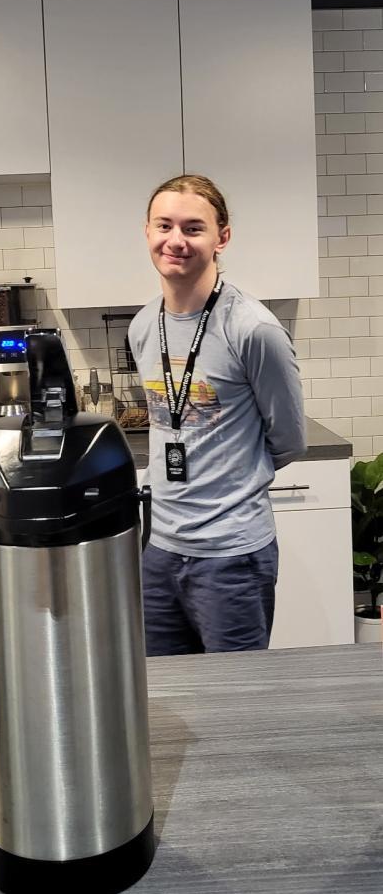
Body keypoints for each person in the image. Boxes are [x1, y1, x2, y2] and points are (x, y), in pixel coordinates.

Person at [128, 173, 306, 655]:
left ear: (221, 237)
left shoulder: (253, 329)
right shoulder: (143, 326)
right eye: (164, 225)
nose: (176, 241)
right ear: (147, 231)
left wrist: (232, 479)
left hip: (232, 556)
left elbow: (289, 438)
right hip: (158, 547)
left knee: (235, 693)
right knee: (165, 690)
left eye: (193, 228)